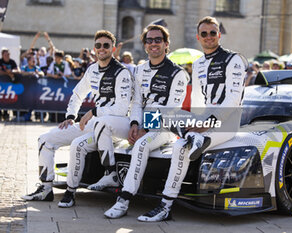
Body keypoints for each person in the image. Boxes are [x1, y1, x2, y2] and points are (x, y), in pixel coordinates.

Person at [134, 16, 247, 222]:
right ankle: (175, 135)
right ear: (198, 37)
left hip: (227, 122)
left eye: (213, 33)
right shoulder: (198, 64)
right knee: (164, 112)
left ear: (219, 35)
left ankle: (165, 206)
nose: (209, 37)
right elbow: (197, 101)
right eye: (204, 34)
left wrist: (206, 123)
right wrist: (194, 121)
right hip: (204, 122)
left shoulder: (234, 59)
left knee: (180, 147)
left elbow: (232, 99)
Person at [20, 30, 132, 205]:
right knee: (44, 139)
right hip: (92, 123)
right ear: (94, 48)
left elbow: (122, 108)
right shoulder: (92, 69)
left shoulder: (122, 72)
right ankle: (45, 189)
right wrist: (71, 115)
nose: (101, 49)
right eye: (98, 45)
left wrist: (94, 112)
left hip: (113, 127)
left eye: (106, 45)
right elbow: (77, 94)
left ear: (113, 49)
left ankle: (70, 192)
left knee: (77, 145)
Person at [103, 24, 189, 219]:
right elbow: (136, 102)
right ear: (144, 45)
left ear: (166, 44)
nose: (153, 44)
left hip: (166, 126)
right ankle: (106, 174)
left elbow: (171, 109)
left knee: (141, 144)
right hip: (142, 123)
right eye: (149, 40)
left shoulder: (178, 73)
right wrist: (135, 124)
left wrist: (146, 128)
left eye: (158, 40)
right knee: (104, 125)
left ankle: (124, 199)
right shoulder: (139, 70)